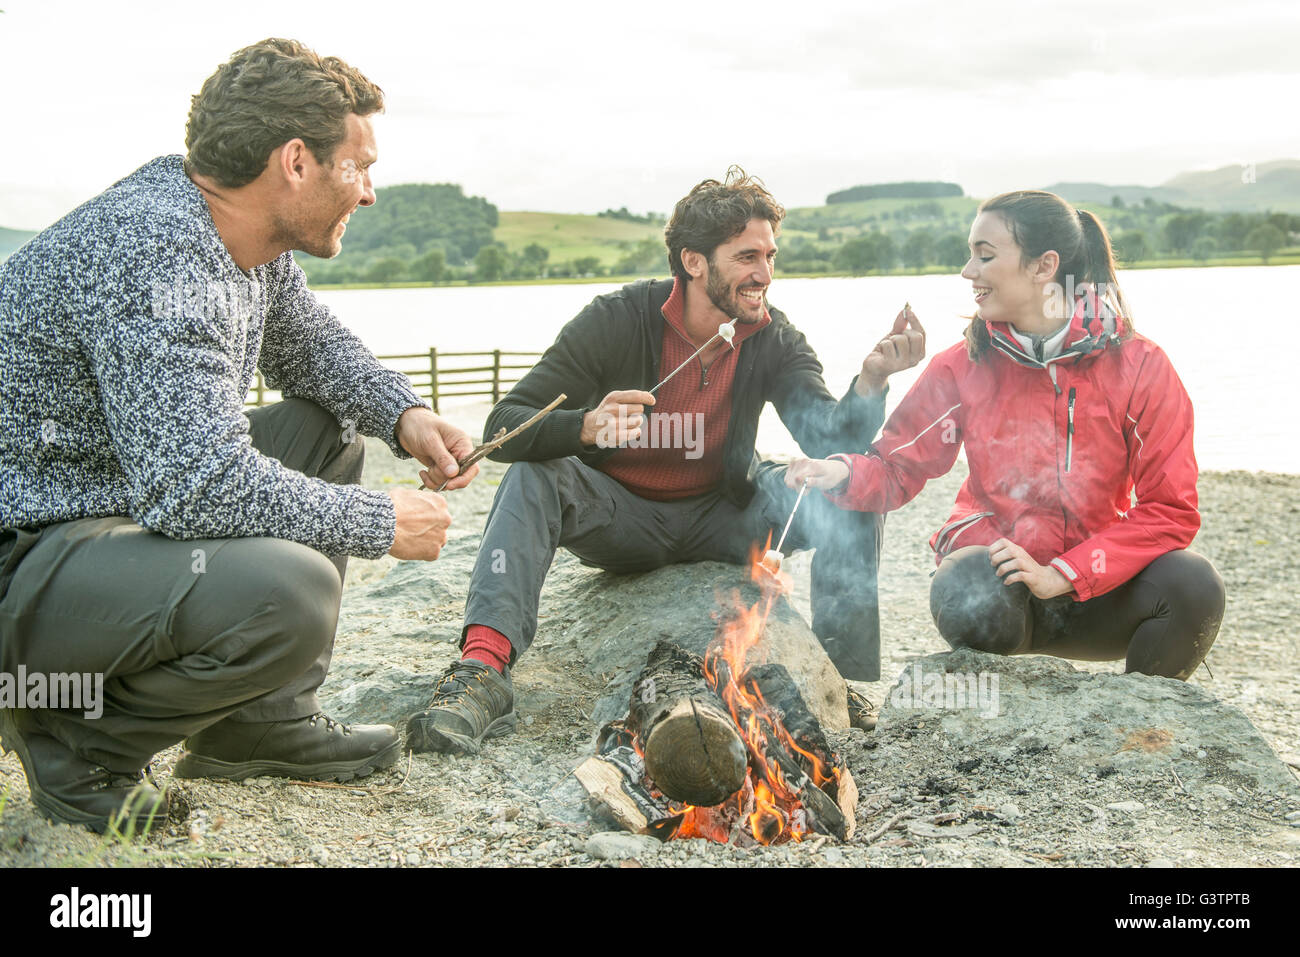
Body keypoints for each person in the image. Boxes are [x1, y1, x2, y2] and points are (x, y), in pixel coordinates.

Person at [0, 38, 476, 833]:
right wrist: (380, 522)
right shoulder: (157, 246)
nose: (368, 192)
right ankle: (74, 738)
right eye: (359, 166)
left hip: (98, 518)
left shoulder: (234, 234)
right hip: (23, 558)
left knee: (326, 433)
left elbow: (312, 347)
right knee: (287, 591)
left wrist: (406, 414)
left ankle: (255, 722)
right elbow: (194, 485)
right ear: (296, 161)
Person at [404, 168, 926, 756]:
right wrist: (583, 425)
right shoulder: (617, 318)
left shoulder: (772, 335)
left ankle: (835, 678)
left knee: (848, 488)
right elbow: (506, 424)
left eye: (771, 255)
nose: (764, 274)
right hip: (623, 521)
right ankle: (482, 672)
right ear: (694, 262)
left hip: (725, 516)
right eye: (746, 256)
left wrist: (875, 378)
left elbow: (832, 434)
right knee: (534, 474)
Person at [786, 190, 1225, 681]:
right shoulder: (961, 365)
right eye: (970, 253)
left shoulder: (1141, 366)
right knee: (963, 583)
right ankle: (1000, 711)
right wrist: (839, 471)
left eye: (985, 255)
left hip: (1102, 592)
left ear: (1044, 267)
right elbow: (896, 468)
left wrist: (1064, 573)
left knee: (1194, 585)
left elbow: (1170, 510)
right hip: (1005, 600)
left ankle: (1141, 719)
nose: (967, 271)